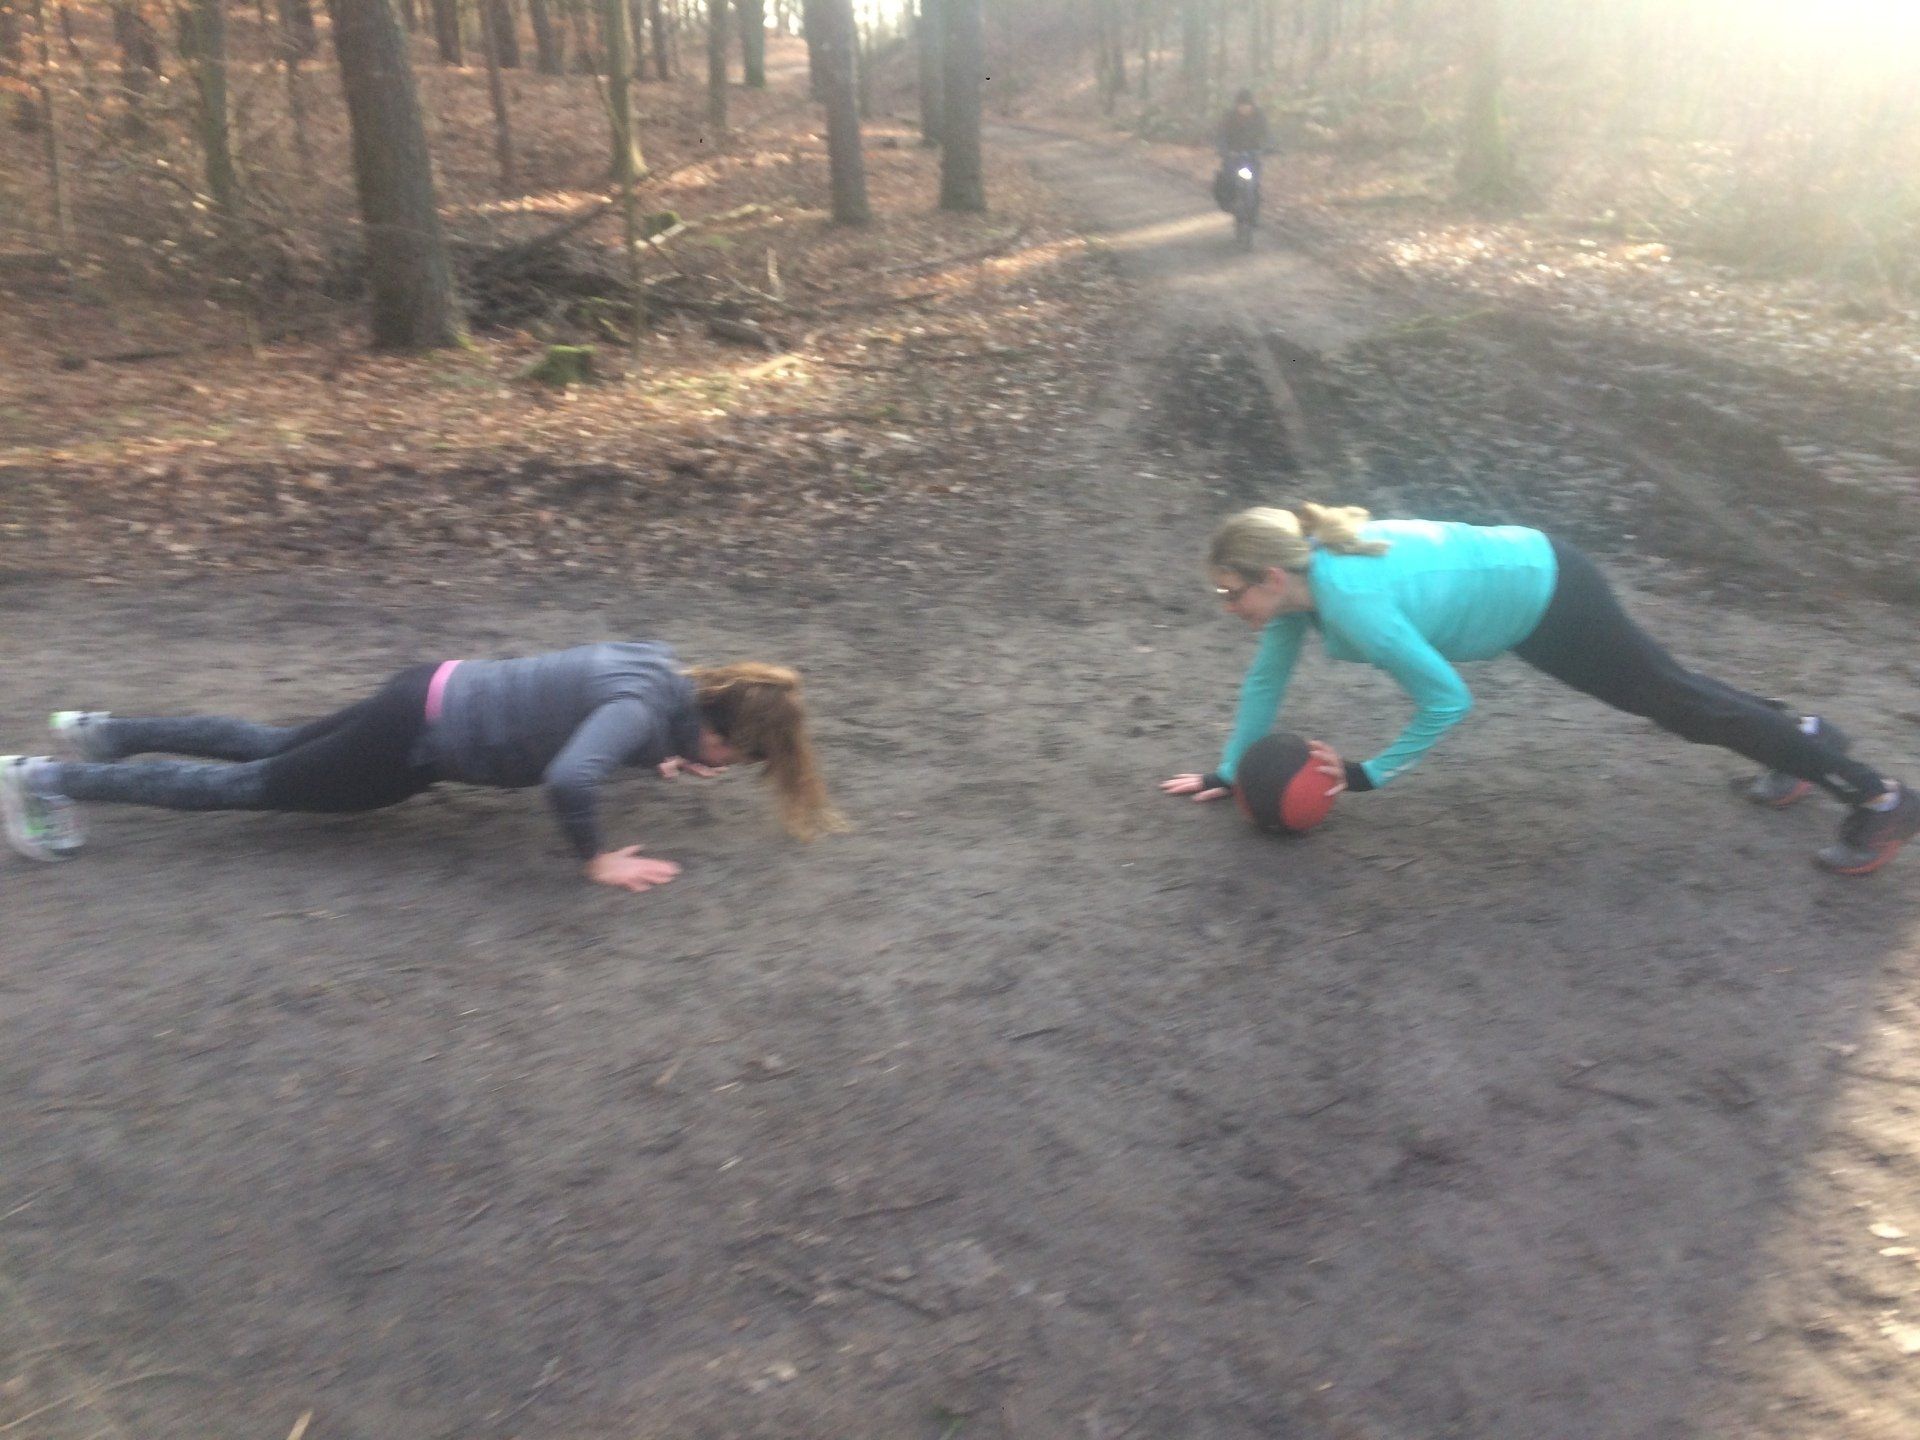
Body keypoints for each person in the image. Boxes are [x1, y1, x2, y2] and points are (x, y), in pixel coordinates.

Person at [1160, 504, 1919, 876]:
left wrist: (1366, 774)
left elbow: (1448, 700)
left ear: (1270, 577)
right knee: (1674, 692)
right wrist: (1229, 771)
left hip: (1548, 594)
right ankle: (1804, 741)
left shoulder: (1352, 603)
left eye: (1232, 594)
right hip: (1530, 585)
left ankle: (1878, 797)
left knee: (1675, 701)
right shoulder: (1305, 587)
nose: (1229, 610)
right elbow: (1266, 680)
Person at [1, 643, 843, 892]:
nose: (724, 767)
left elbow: (598, 717)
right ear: (721, 730)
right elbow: (567, 777)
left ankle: (102, 731)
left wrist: (661, 755)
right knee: (248, 785)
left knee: (267, 741)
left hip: (429, 688)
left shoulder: (662, 676)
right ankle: (42, 778)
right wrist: (595, 856)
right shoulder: (637, 714)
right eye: (735, 757)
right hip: (415, 743)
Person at [1214, 89, 1270, 218]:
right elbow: (1221, 135)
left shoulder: (1259, 117)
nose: (1244, 108)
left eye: (1247, 105)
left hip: (1253, 155)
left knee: (1255, 184)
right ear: (1237, 105)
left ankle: (1254, 212)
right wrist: (1223, 150)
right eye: (1241, 105)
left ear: (1252, 105)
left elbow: (1267, 135)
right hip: (1233, 155)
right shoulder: (1229, 117)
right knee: (1228, 179)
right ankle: (1229, 202)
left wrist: (1266, 148)